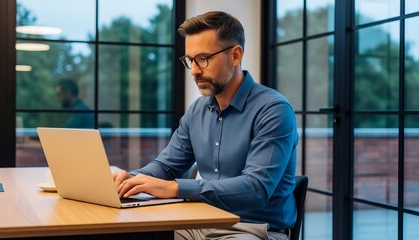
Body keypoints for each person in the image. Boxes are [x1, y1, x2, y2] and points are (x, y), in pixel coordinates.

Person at [113, 11, 298, 240]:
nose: (194, 70)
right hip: (198, 221)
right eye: (190, 60)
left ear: (235, 55)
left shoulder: (273, 110)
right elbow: (167, 166)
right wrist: (131, 180)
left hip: (253, 229)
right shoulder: (197, 110)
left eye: (203, 58)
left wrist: (175, 189)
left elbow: (255, 189)